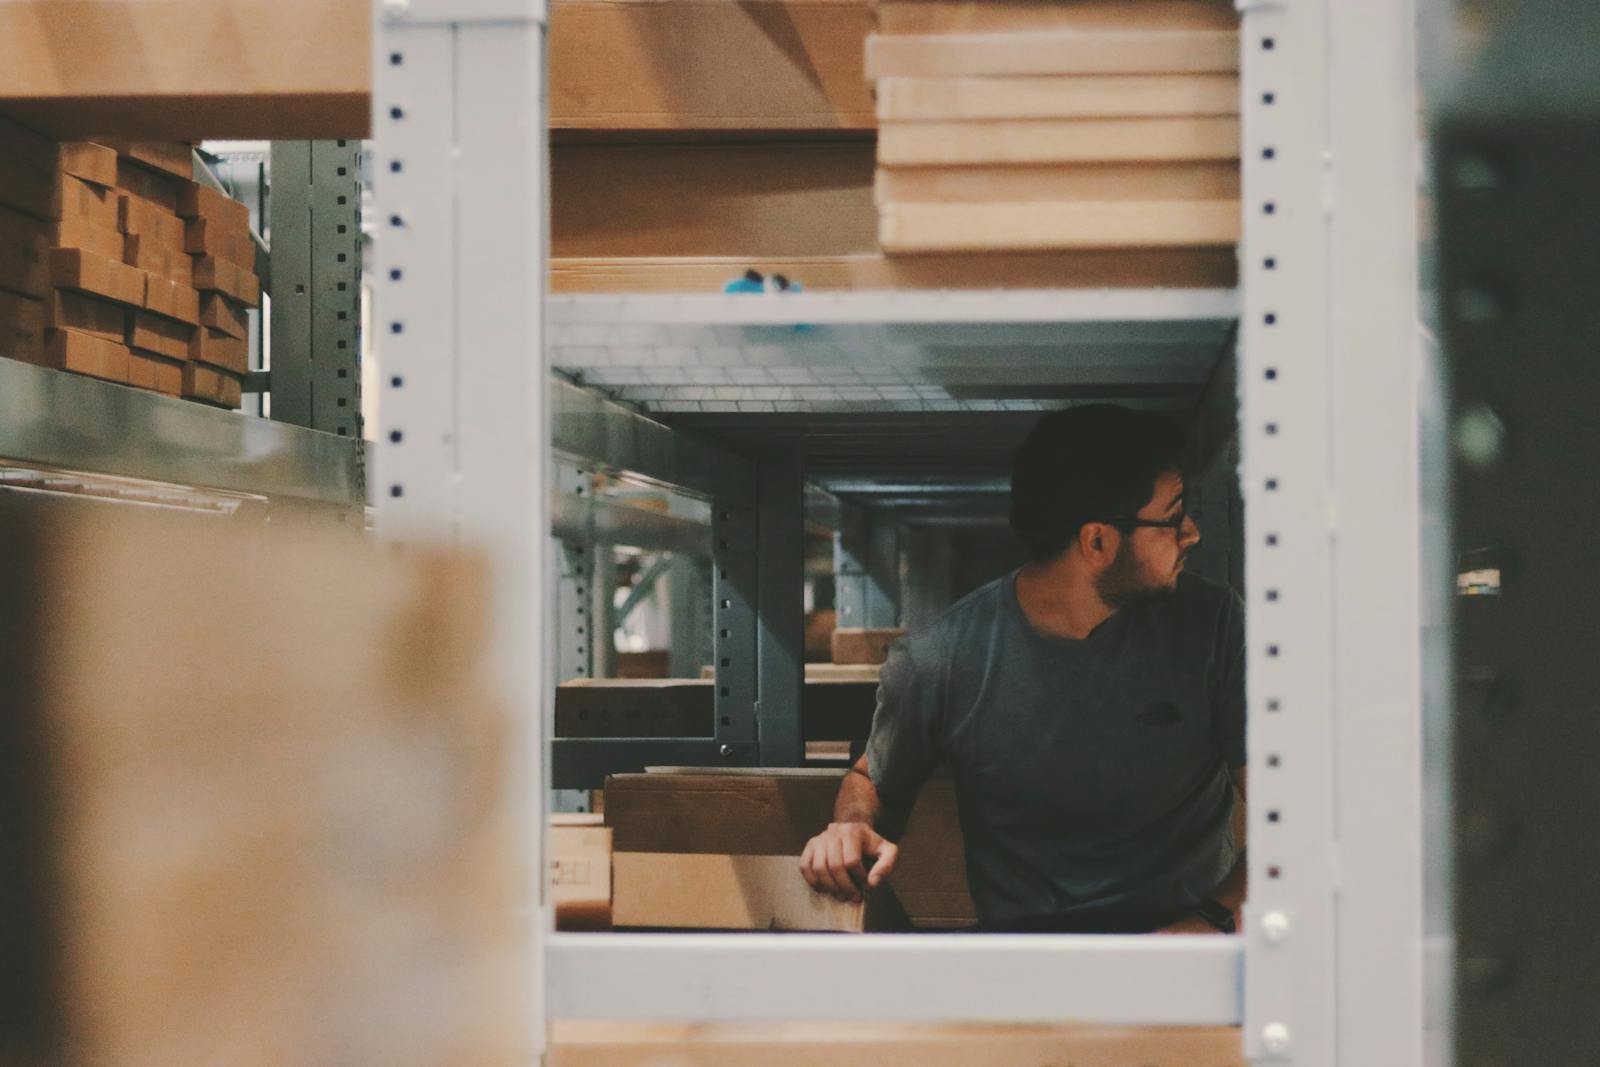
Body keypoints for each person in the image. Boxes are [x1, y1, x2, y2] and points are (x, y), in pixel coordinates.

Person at [799, 405, 1247, 934]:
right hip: (1028, 963)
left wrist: (1214, 919)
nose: (1191, 533)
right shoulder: (941, 659)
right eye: (1173, 517)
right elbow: (872, 777)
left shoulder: (1214, 625)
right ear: (1098, 541)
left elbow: (1288, 814)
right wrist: (848, 827)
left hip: (1191, 950)